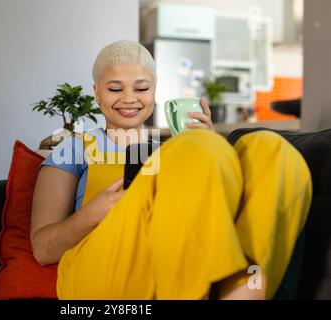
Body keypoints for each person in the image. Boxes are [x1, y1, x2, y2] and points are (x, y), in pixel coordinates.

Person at [30, 40, 312, 300]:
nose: (129, 99)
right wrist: (96, 211)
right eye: (115, 88)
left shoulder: (173, 149)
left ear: (154, 89)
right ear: (96, 92)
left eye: (141, 88)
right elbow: (43, 249)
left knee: (269, 148)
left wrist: (214, 152)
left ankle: (239, 285)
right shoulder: (74, 148)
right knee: (195, 148)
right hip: (99, 266)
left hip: (169, 258)